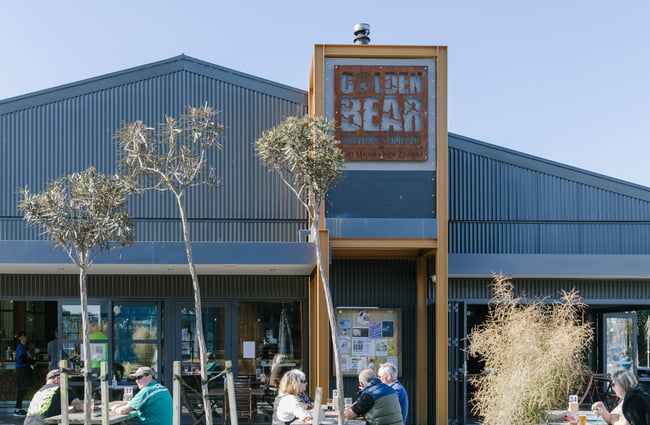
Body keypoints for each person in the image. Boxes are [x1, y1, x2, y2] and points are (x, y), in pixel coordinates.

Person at [14, 331, 35, 417]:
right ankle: (17, 409)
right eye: (24, 336)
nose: (26, 337)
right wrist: (31, 361)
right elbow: (22, 359)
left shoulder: (24, 347)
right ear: (20, 338)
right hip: (22, 369)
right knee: (22, 389)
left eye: (26, 336)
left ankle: (18, 408)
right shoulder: (20, 347)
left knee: (24, 389)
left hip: (24, 369)